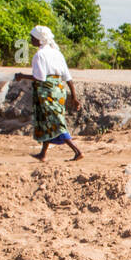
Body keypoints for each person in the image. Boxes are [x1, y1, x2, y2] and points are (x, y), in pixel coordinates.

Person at [13, 26, 83, 161]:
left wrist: (22, 76)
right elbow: (68, 77)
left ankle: (77, 151)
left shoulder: (39, 55)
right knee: (46, 121)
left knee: (55, 122)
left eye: (33, 38)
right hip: (59, 90)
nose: (31, 40)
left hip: (47, 92)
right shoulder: (57, 53)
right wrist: (73, 97)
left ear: (39, 40)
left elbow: (40, 77)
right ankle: (43, 154)